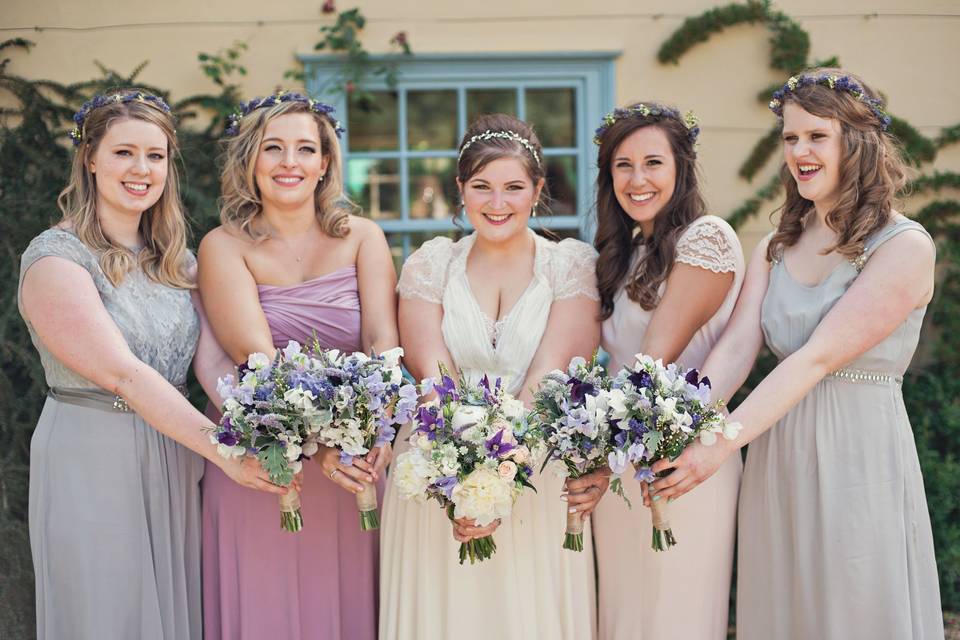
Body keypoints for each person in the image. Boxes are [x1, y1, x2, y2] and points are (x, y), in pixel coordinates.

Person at [648, 69, 944, 639]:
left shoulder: (904, 246)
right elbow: (737, 348)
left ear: (855, 145)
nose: (799, 152)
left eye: (816, 136)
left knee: (853, 603)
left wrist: (718, 444)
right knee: (784, 605)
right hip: (778, 452)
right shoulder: (775, 246)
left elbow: (816, 357)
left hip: (858, 453)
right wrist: (674, 427)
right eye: (789, 138)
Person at [18, 90, 282, 640]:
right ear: (90, 158)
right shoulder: (55, 260)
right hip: (92, 451)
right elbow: (122, 372)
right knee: (107, 612)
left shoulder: (177, 261)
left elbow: (210, 360)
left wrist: (276, 427)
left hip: (173, 452)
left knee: (171, 610)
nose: (142, 169)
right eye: (123, 153)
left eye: (156, 156)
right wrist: (221, 448)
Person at [379, 114, 605, 640]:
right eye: (481, 186)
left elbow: (548, 377)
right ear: (460, 190)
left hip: (537, 464)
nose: (496, 203)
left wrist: (497, 474)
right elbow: (431, 372)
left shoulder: (570, 266)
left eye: (513, 188)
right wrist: (459, 479)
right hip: (438, 457)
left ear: (537, 190)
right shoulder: (430, 266)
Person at [198, 91, 398, 640]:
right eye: (273, 148)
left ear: (325, 163)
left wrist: (378, 427)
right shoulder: (222, 246)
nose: (290, 162)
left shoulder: (364, 238)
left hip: (354, 468)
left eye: (305, 149)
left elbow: (383, 339)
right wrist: (322, 443)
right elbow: (254, 359)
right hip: (267, 461)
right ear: (250, 162)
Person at [590, 102, 744, 639]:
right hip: (619, 456)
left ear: (681, 166)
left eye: (652, 163)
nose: (637, 180)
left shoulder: (706, 239)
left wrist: (600, 455)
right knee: (623, 613)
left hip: (681, 458)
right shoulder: (622, 255)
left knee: (672, 613)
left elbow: (652, 361)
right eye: (622, 166)